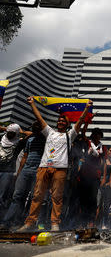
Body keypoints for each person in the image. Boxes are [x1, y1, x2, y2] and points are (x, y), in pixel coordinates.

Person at [18, 97, 92, 232]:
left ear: (67, 124)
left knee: (57, 197)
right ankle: (30, 222)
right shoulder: (49, 132)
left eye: (64, 121)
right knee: (37, 195)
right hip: (44, 167)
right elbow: (39, 118)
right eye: (59, 120)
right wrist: (32, 104)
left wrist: (86, 108)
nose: (61, 122)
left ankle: (54, 223)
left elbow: (80, 121)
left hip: (60, 169)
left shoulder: (70, 135)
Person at [1, 122, 45, 229]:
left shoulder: (46, 140)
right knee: (17, 196)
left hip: (38, 171)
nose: (35, 128)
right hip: (25, 170)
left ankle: (24, 222)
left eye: (37, 127)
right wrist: (19, 172)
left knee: (33, 198)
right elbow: (25, 157)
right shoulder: (29, 140)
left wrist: (23, 132)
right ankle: (7, 222)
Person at [0, 123, 30, 222]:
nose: (10, 134)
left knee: (3, 196)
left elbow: (33, 134)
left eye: (13, 133)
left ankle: (2, 219)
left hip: (8, 172)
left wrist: (22, 132)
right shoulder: (1, 139)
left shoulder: (19, 142)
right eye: (9, 132)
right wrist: (6, 128)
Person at [78, 127, 105, 228]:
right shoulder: (88, 143)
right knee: (83, 200)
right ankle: (82, 222)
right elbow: (83, 133)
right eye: (95, 134)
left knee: (93, 200)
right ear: (92, 135)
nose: (97, 136)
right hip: (84, 175)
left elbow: (104, 163)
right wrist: (87, 121)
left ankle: (91, 221)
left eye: (99, 134)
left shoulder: (103, 148)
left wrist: (103, 178)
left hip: (95, 177)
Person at [100, 147, 111, 229]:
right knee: (101, 204)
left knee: (109, 204)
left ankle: (108, 223)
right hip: (103, 183)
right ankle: (101, 223)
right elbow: (103, 172)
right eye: (110, 150)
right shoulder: (105, 160)